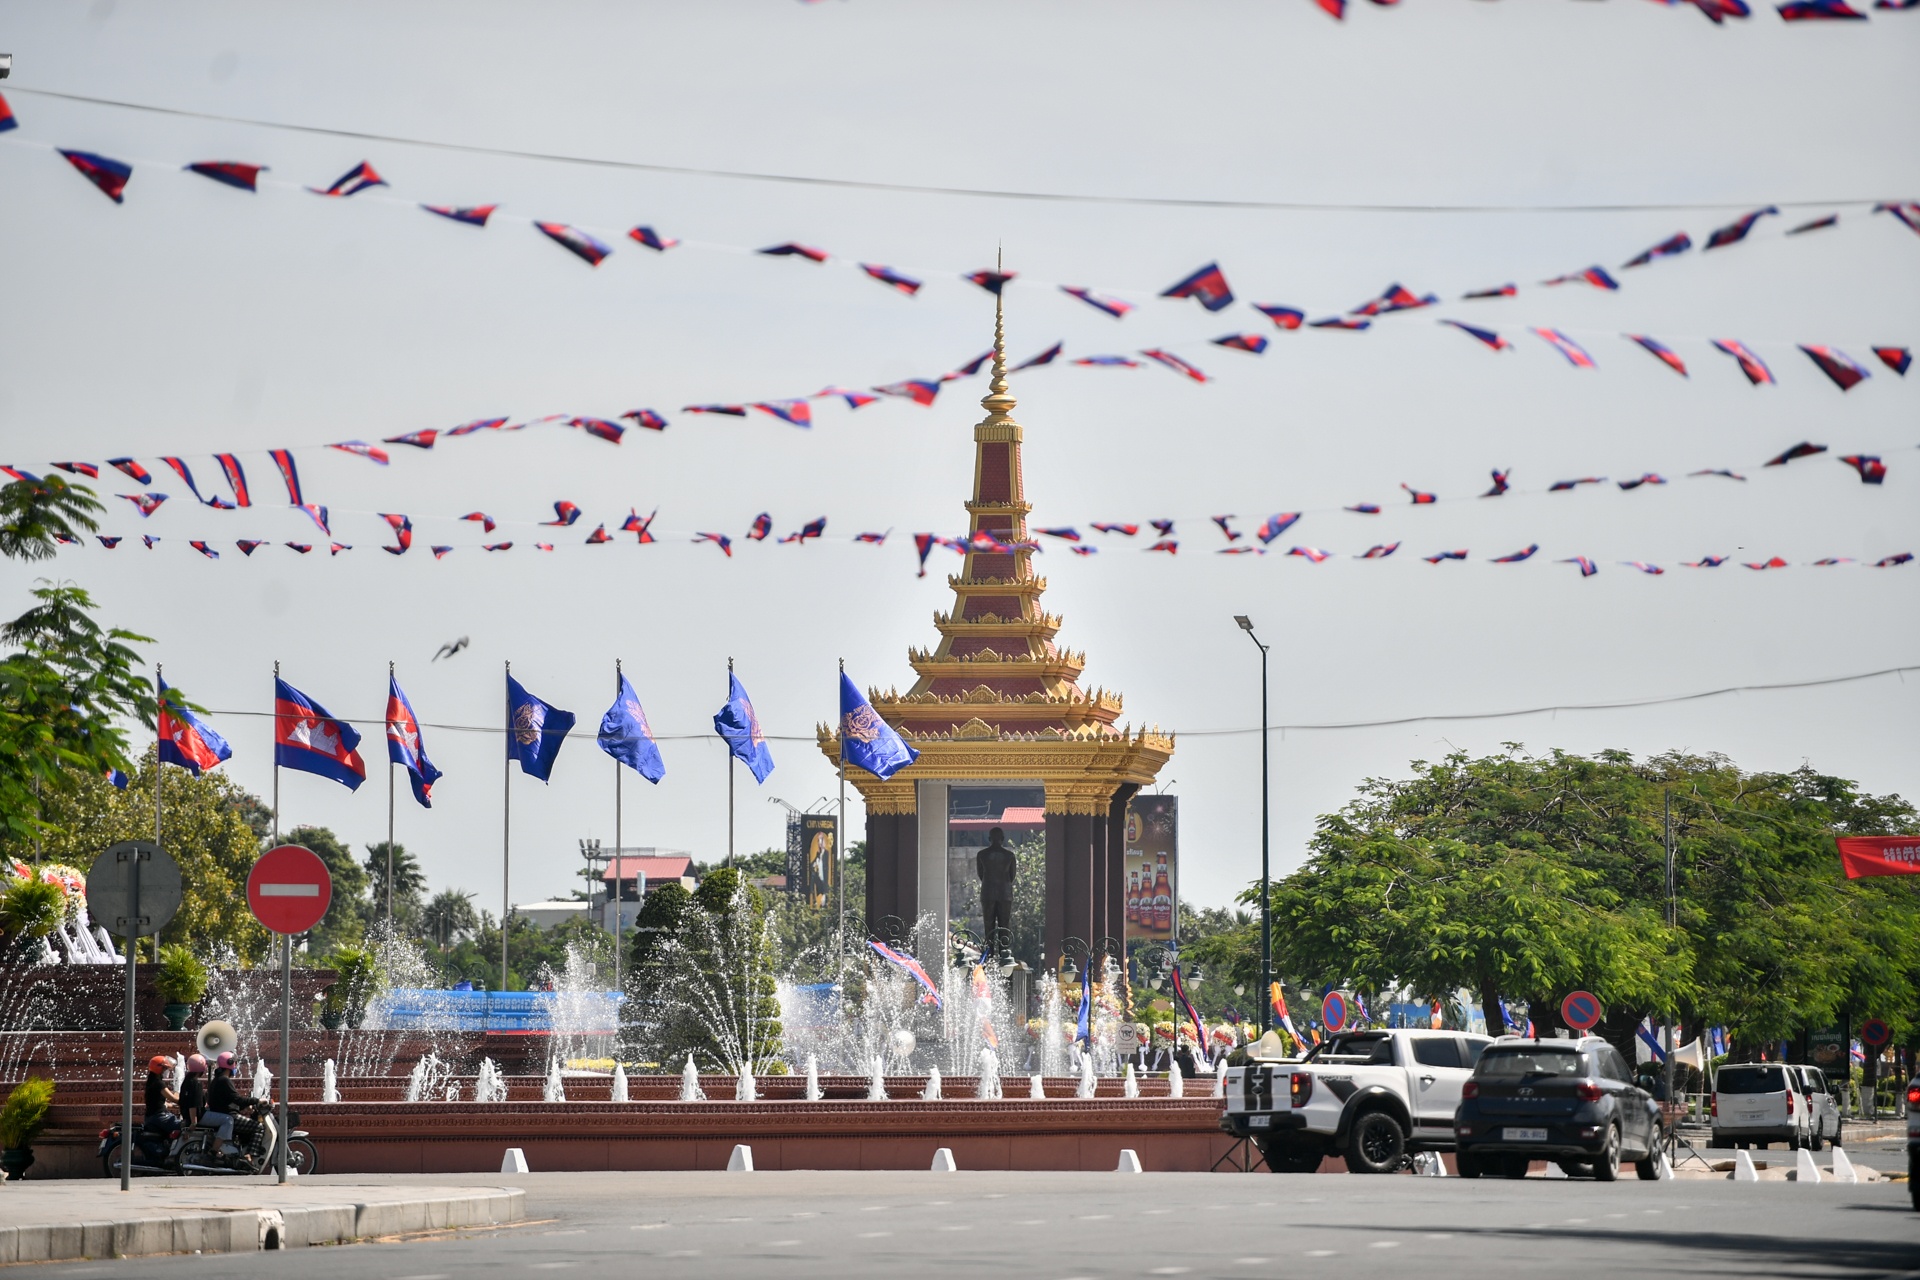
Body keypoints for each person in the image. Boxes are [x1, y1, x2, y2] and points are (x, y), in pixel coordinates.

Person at [975, 827, 1017, 962]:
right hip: (1005, 893)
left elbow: (981, 874)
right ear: (1003, 839)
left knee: (989, 925)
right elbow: (1012, 876)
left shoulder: (982, 855)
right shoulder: (1009, 856)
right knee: (1004, 924)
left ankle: (989, 954)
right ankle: (1005, 954)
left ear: (989, 838)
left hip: (987, 893)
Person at [204, 1052, 240, 1150]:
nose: (236, 1066)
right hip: (226, 1114)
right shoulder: (224, 1080)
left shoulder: (217, 1079)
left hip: (218, 1112)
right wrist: (255, 1101)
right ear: (230, 1063)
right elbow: (236, 1098)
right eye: (235, 1063)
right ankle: (250, 1155)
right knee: (258, 1127)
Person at [141, 1056, 180, 1138]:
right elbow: (173, 1098)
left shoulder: (151, 1080)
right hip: (159, 1118)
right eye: (165, 1068)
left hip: (150, 1117)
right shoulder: (158, 1083)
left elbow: (160, 1103)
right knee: (183, 1127)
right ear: (160, 1068)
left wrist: (174, 1106)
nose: (166, 1071)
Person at [178, 1054, 207, 1128]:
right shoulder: (196, 1082)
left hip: (186, 1117)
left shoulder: (186, 1081)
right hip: (199, 1118)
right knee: (227, 1120)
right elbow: (193, 1104)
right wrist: (194, 1122)